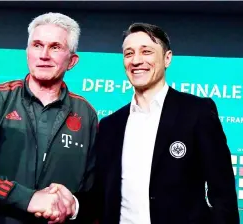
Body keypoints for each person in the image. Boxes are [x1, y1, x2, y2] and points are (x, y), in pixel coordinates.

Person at [48, 22, 239, 224]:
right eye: (129, 54)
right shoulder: (111, 125)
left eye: (146, 51)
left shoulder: (197, 112)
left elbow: (223, 193)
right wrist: (74, 204)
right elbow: (102, 196)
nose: (136, 60)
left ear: (167, 58)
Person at [0, 12, 98, 224]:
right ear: (27, 52)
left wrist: (72, 205)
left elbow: (93, 188)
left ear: (72, 61)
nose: (44, 55)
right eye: (37, 45)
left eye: (55, 47)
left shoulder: (86, 113)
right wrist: (28, 198)